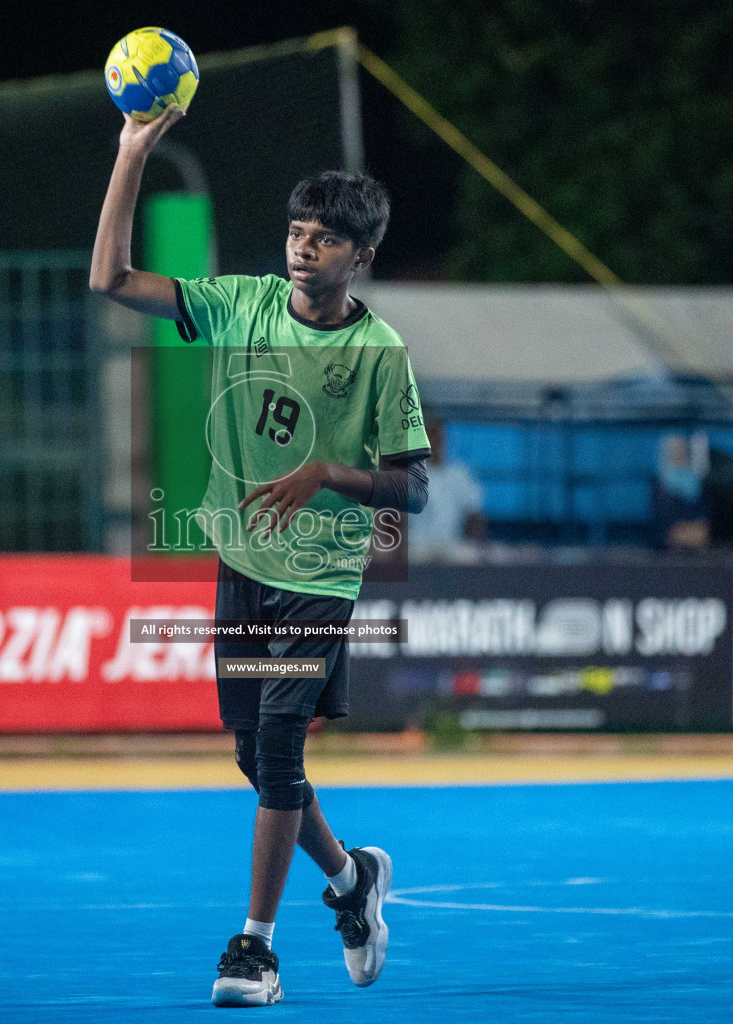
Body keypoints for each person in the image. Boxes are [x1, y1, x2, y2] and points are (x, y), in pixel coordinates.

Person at [91, 104, 429, 1007]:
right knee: (254, 756)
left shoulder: (379, 353)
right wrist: (132, 154)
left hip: (319, 580)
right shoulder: (237, 302)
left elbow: (414, 488)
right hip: (240, 571)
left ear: (359, 256)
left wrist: (324, 473)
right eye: (295, 231)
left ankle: (256, 948)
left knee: (278, 747)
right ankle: (353, 882)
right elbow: (111, 279)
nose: (302, 247)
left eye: (323, 238)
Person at [405, 413, 485, 559]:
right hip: (418, 546)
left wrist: (477, 545)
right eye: (430, 435)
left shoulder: (460, 473)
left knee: (470, 555)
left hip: (452, 545)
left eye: (439, 435)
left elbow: (474, 514)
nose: (435, 441)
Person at [651, 433, 711, 551]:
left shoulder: (700, 484)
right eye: (675, 451)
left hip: (699, 546)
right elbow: (665, 530)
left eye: (683, 451)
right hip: (670, 552)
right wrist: (680, 535)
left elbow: (705, 526)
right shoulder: (660, 487)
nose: (679, 455)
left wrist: (696, 533)